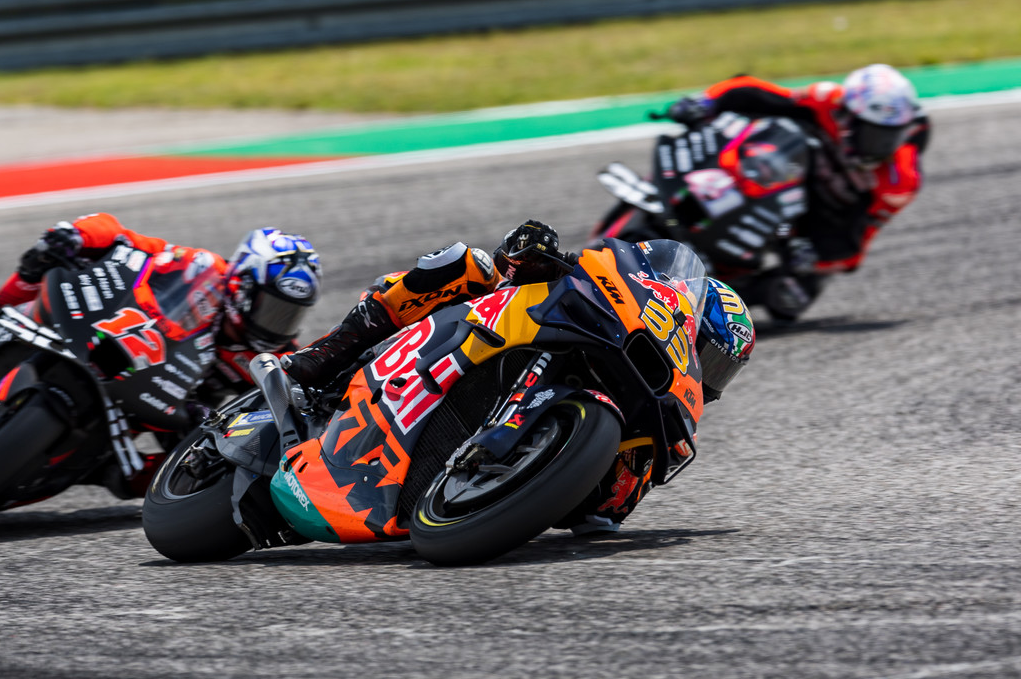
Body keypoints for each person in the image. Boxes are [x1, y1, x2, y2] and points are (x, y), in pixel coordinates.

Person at [282, 220, 754, 535]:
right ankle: (326, 355)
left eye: (722, 371)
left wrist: (618, 470)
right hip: (485, 332)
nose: (711, 377)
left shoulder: (665, 439)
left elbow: (600, 517)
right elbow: (520, 260)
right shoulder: (611, 299)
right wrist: (529, 254)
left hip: (458, 504)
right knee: (466, 264)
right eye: (711, 357)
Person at [0, 213, 322, 496]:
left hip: (170, 410)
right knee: (38, 264)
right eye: (271, 307)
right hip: (116, 342)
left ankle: (93, 470)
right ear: (242, 285)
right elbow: (124, 238)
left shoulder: (272, 355)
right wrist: (76, 236)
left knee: (179, 474)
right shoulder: (200, 267)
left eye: (289, 314)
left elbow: (292, 402)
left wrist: (223, 424)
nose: (276, 323)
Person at [664, 63, 929, 319]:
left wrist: (815, 260)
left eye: (891, 136)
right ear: (848, 115)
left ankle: (716, 292)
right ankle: (686, 187)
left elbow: (857, 247)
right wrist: (706, 101)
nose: (880, 147)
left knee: (790, 297)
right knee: (777, 131)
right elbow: (754, 91)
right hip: (777, 175)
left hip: (814, 225)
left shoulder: (900, 180)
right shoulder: (827, 100)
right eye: (872, 134)